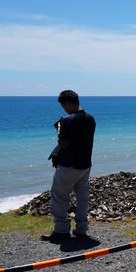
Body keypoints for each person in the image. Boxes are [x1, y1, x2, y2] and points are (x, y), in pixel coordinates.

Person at [44, 90, 96, 241]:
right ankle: (81, 228)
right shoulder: (90, 119)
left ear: (67, 103)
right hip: (85, 164)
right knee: (82, 198)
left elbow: (63, 143)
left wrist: (60, 128)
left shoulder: (66, 121)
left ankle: (61, 230)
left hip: (68, 164)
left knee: (60, 196)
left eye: (63, 105)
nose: (63, 109)